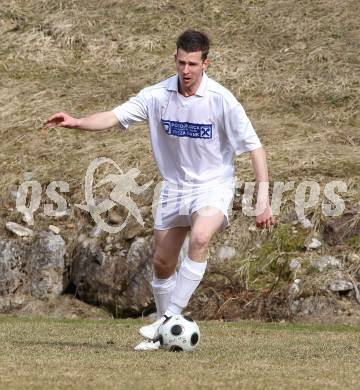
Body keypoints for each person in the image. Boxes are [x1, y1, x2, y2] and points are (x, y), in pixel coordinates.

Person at [45, 30, 275, 351]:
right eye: (181, 62)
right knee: (162, 263)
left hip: (213, 186)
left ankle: (166, 320)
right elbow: (114, 116)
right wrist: (77, 121)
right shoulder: (157, 95)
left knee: (200, 238)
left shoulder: (221, 100)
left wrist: (262, 200)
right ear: (175, 59)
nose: (186, 71)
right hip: (174, 188)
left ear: (205, 63)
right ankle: (164, 335)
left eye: (193, 64)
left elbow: (255, 147)